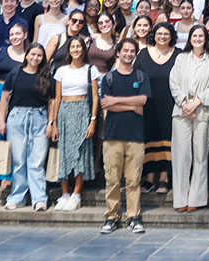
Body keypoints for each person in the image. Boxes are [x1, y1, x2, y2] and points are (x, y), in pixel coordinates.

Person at [98, 38, 149, 233]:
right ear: (118, 52)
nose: (128, 53)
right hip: (112, 136)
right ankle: (111, 216)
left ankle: (133, 216)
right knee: (112, 179)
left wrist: (116, 101)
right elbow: (105, 104)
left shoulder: (141, 76)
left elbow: (142, 102)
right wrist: (131, 105)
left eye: (132, 51)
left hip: (135, 136)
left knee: (133, 180)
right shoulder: (109, 78)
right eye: (125, 50)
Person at [169, 25, 209, 213]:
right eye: (194, 35)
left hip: (202, 111)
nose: (198, 38)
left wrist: (196, 103)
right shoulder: (181, 58)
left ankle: (196, 198)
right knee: (181, 155)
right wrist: (184, 103)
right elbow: (173, 82)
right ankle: (180, 199)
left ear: (206, 38)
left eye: (201, 35)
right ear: (190, 38)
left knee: (200, 155)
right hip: (181, 111)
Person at [0, 42, 52, 210]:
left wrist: (51, 123)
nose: (35, 58)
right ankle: (17, 196)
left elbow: (51, 101)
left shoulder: (46, 76)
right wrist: (1, 120)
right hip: (17, 117)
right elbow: (5, 98)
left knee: (37, 160)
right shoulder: (15, 73)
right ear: (27, 55)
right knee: (19, 160)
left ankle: (39, 198)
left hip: (40, 117)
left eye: (39, 55)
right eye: (33, 54)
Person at [50, 35, 99, 211]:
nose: (76, 49)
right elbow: (56, 98)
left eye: (79, 46)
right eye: (73, 47)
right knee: (64, 152)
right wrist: (53, 123)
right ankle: (64, 194)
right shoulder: (61, 71)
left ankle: (76, 194)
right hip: (64, 110)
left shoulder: (90, 69)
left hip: (82, 110)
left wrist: (92, 120)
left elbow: (95, 97)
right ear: (68, 50)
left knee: (80, 152)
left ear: (83, 50)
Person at [134, 23, 177, 194]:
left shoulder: (178, 54)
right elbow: (135, 77)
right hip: (148, 104)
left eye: (166, 34)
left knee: (168, 138)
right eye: (159, 33)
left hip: (170, 104)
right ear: (154, 35)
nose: (162, 37)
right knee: (150, 137)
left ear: (171, 36)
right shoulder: (144, 54)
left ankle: (165, 177)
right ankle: (150, 177)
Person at [0, 22, 27, 191]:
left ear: (25, 35)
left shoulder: (28, 54)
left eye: (18, 34)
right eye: (12, 34)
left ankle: (7, 176)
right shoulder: (2, 51)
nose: (15, 37)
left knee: (13, 135)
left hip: (18, 96)